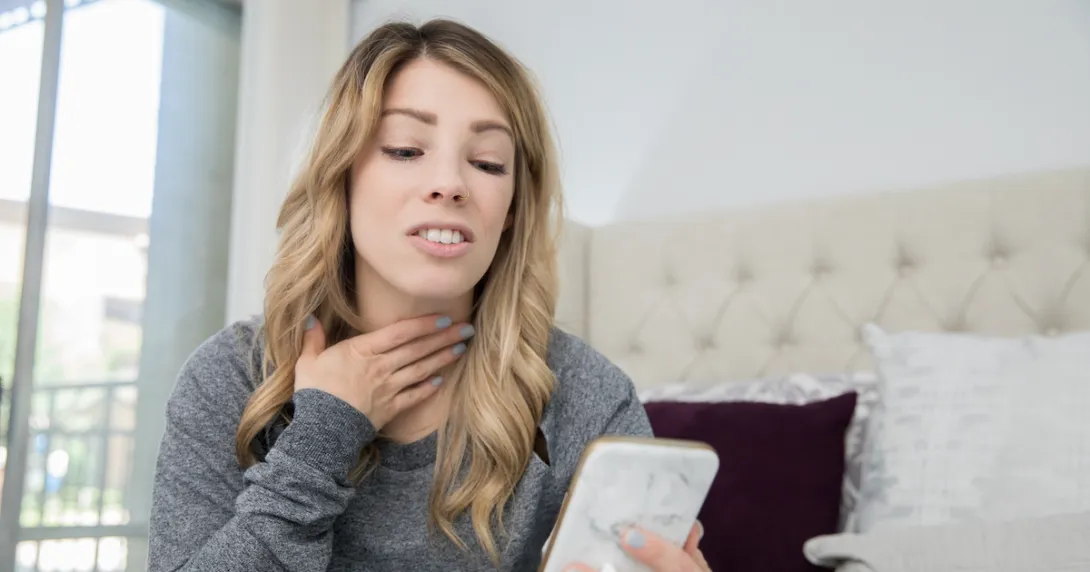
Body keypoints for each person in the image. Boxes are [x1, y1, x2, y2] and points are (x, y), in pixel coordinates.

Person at [146, 18, 710, 572]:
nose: (451, 183)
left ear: (511, 210)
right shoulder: (231, 379)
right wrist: (322, 438)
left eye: (487, 162)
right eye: (405, 150)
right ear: (341, 175)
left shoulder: (585, 393)